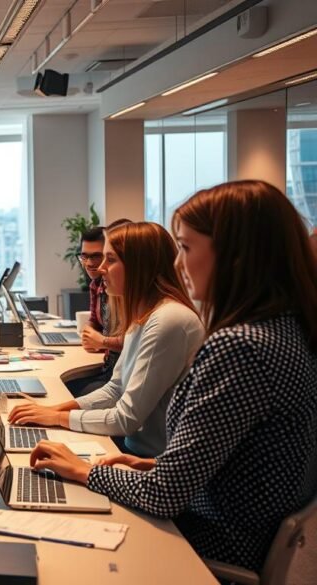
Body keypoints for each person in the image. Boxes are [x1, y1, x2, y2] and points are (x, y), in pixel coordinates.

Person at [29, 180, 317, 573]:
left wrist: (84, 470)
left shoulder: (241, 348)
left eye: (185, 247)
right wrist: (151, 465)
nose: (178, 264)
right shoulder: (285, 329)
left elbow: (163, 496)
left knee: (57, 549)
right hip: (242, 524)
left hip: (218, 537)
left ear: (234, 256)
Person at [9, 222, 204, 457]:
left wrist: (57, 417)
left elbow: (126, 419)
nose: (100, 268)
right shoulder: (144, 315)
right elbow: (115, 388)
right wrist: (53, 410)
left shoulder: (168, 320)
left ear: (139, 266)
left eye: (110, 260)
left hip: (148, 459)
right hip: (132, 447)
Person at [64, 224, 125, 398]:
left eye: (97, 256)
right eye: (84, 256)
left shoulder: (122, 292)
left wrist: (102, 341)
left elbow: (134, 340)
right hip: (108, 367)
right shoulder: (96, 285)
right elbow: (94, 320)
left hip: (117, 375)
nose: (90, 263)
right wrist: (89, 331)